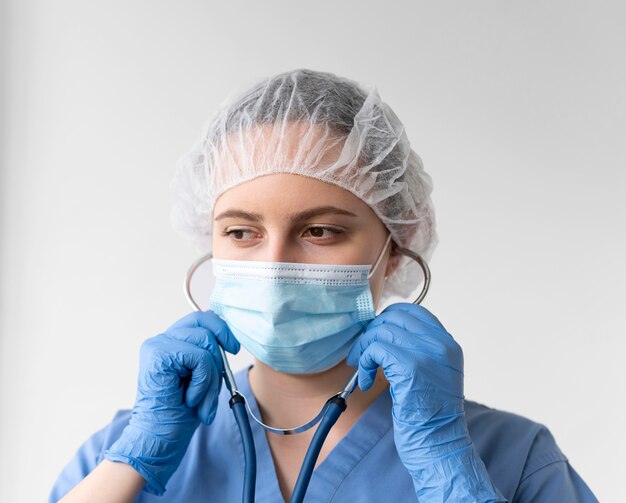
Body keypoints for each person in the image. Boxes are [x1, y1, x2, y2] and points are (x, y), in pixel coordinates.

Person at [49, 69, 598, 502]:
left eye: (320, 231)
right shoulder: (118, 455)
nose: (276, 266)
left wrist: (449, 473)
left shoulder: (513, 458)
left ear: (395, 248)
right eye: (241, 231)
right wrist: (130, 466)